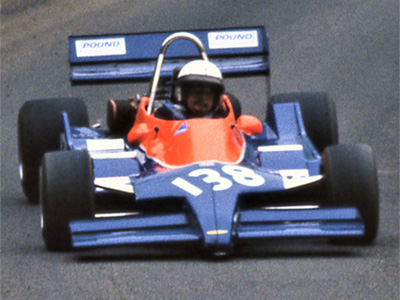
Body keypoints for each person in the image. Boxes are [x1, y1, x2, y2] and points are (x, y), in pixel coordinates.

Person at [155, 60, 229, 119]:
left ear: (215, 98)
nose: (202, 97)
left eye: (207, 93)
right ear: (184, 94)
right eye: (197, 92)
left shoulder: (224, 119)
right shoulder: (166, 116)